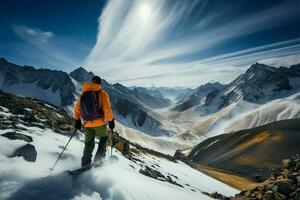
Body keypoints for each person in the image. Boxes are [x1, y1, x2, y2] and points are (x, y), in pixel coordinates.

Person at [74, 76, 115, 169]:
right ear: (99, 84)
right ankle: (98, 160)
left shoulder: (83, 94)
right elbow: (107, 109)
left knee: (88, 143)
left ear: (91, 83)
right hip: (99, 123)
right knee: (104, 138)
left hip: (87, 123)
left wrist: (77, 120)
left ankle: (85, 163)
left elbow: (77, 109)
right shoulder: (102, 94)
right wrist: (111, 121)